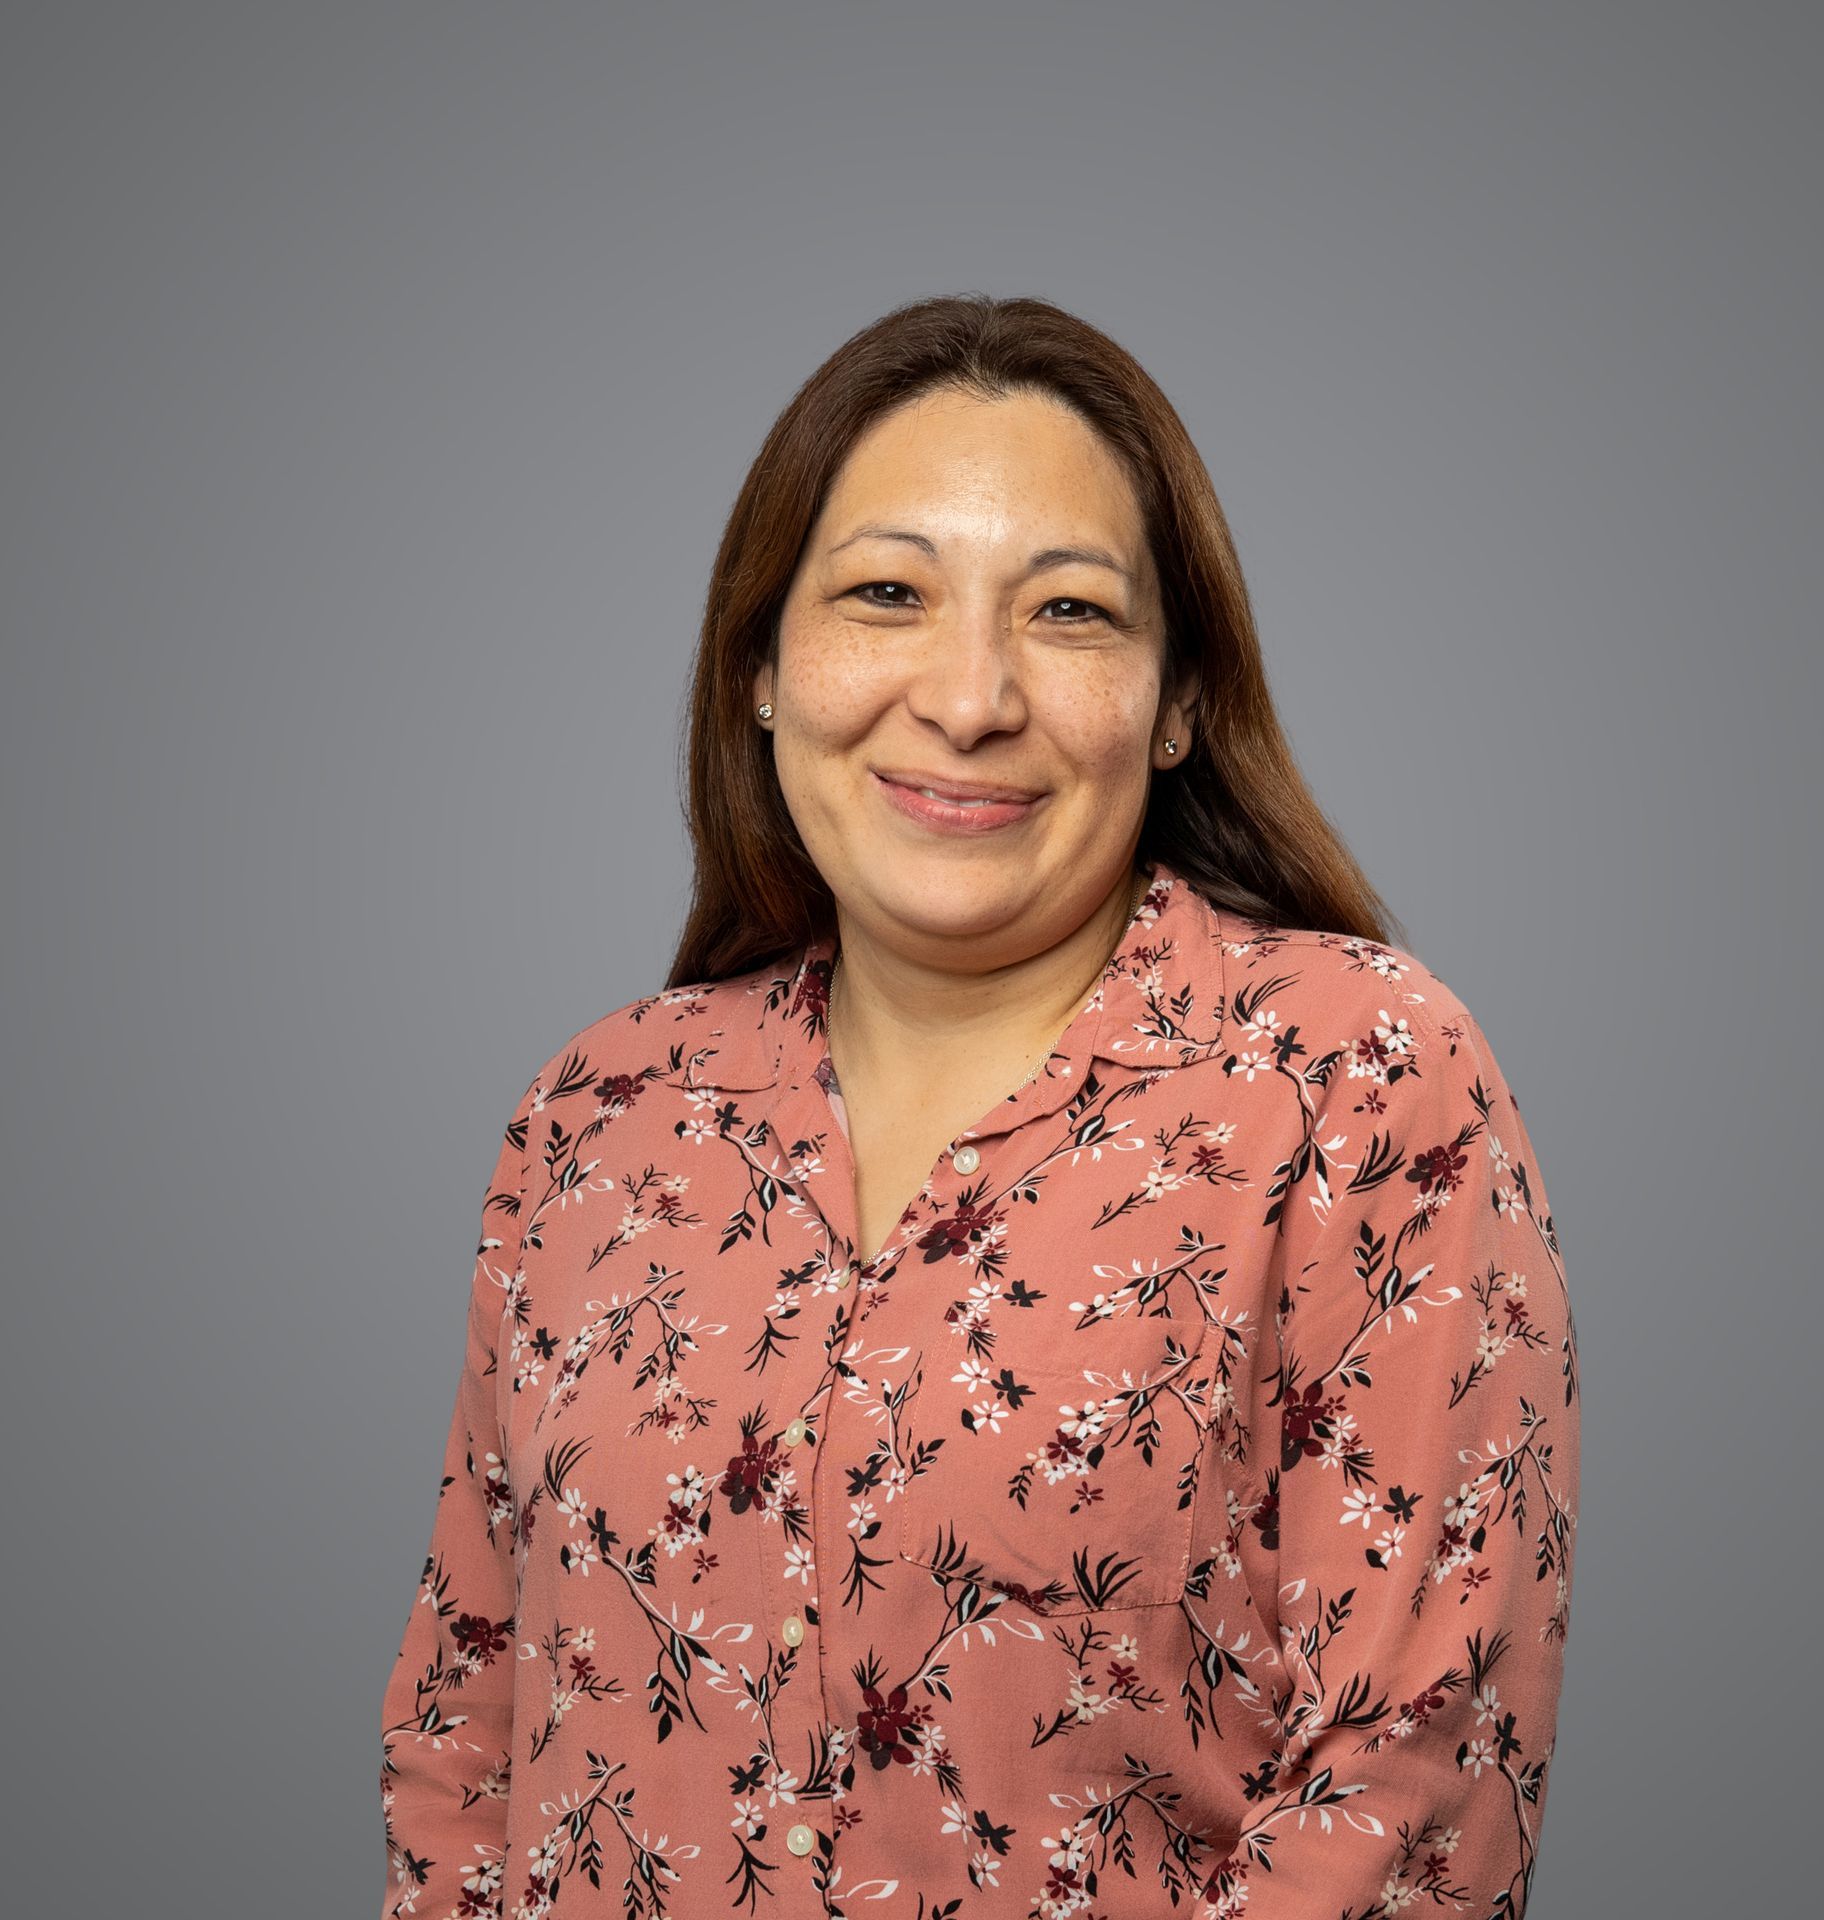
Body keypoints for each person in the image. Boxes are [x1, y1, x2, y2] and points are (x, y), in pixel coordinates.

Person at [376, 293, 1580, 1920]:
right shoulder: (599, 1116)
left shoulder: (1353, 1082)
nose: (969, 698)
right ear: (760, 668)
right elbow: (466, 1726)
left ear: (1178, 701)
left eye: (1069, 613)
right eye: (887, 593)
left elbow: (1412, 1782)